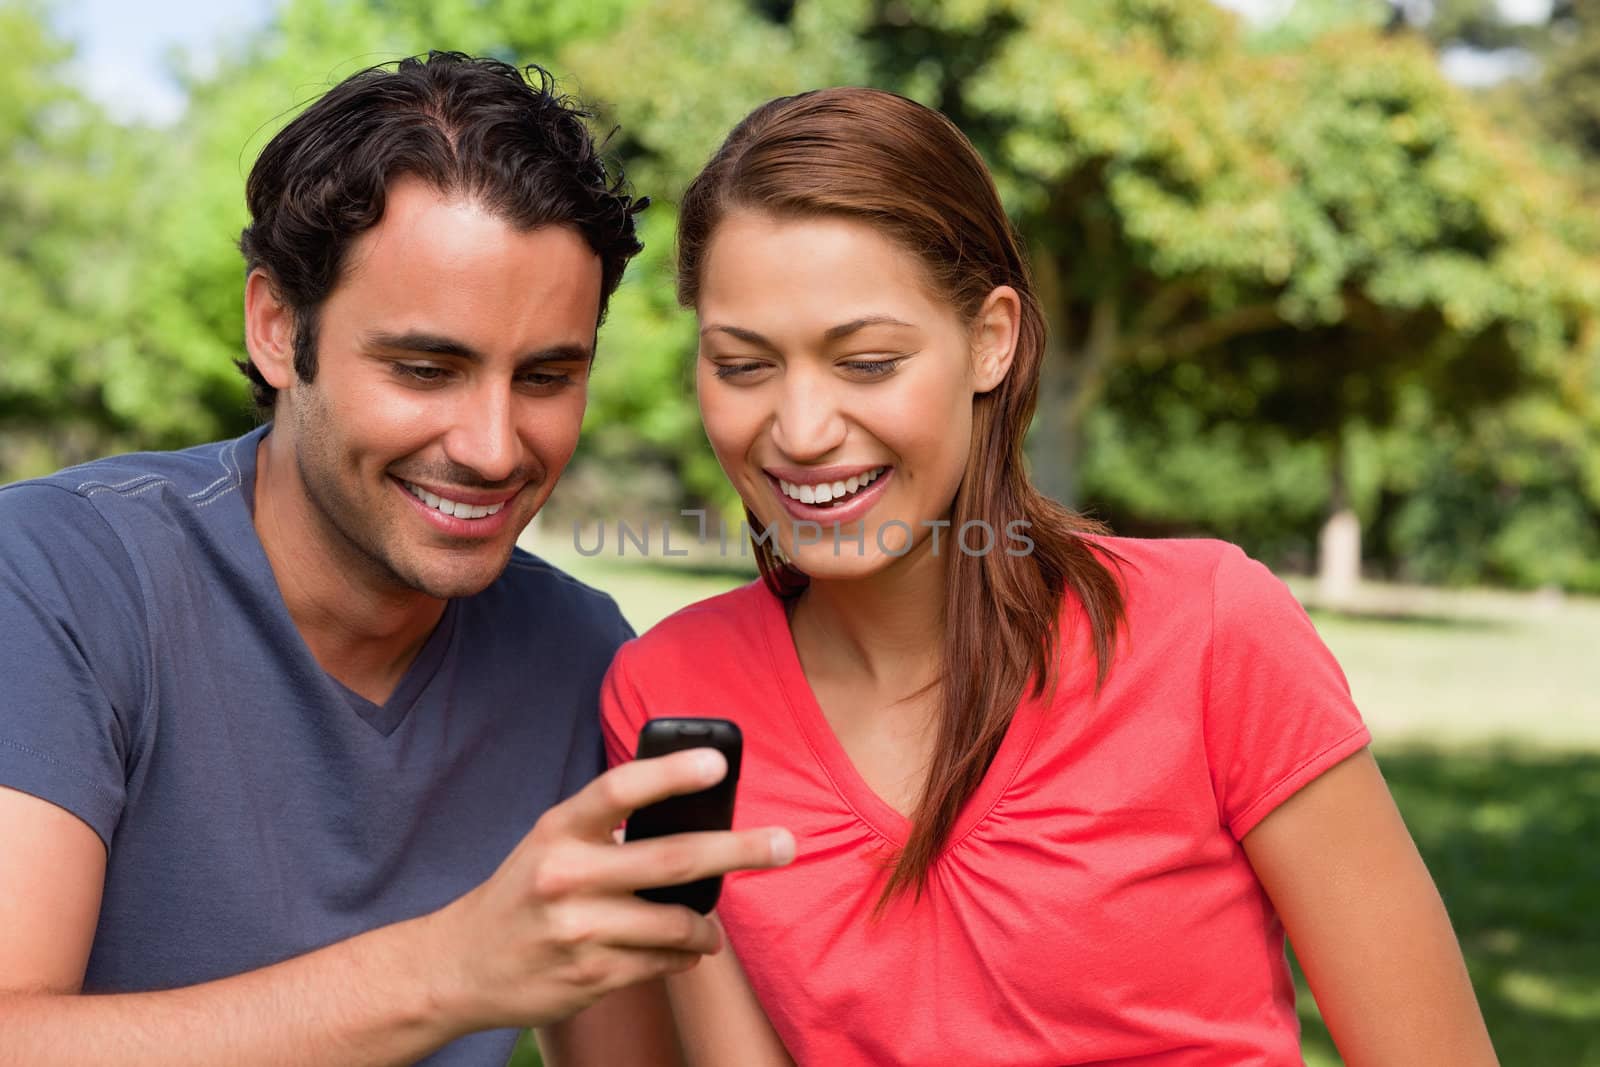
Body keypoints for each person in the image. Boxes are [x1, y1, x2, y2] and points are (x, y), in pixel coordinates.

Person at [598, 87, 1500, 1065]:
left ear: (991, 339)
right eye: (742, 365)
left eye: (865, 362)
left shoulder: (1207, 630)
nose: (802, 429)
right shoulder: (669, 695)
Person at [0, 53, 793, 1067]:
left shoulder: (576, 653)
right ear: (279, 328)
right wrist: (446, 969)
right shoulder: (56, 578)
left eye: (546, 375)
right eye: (427, 368)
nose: (494, 445)